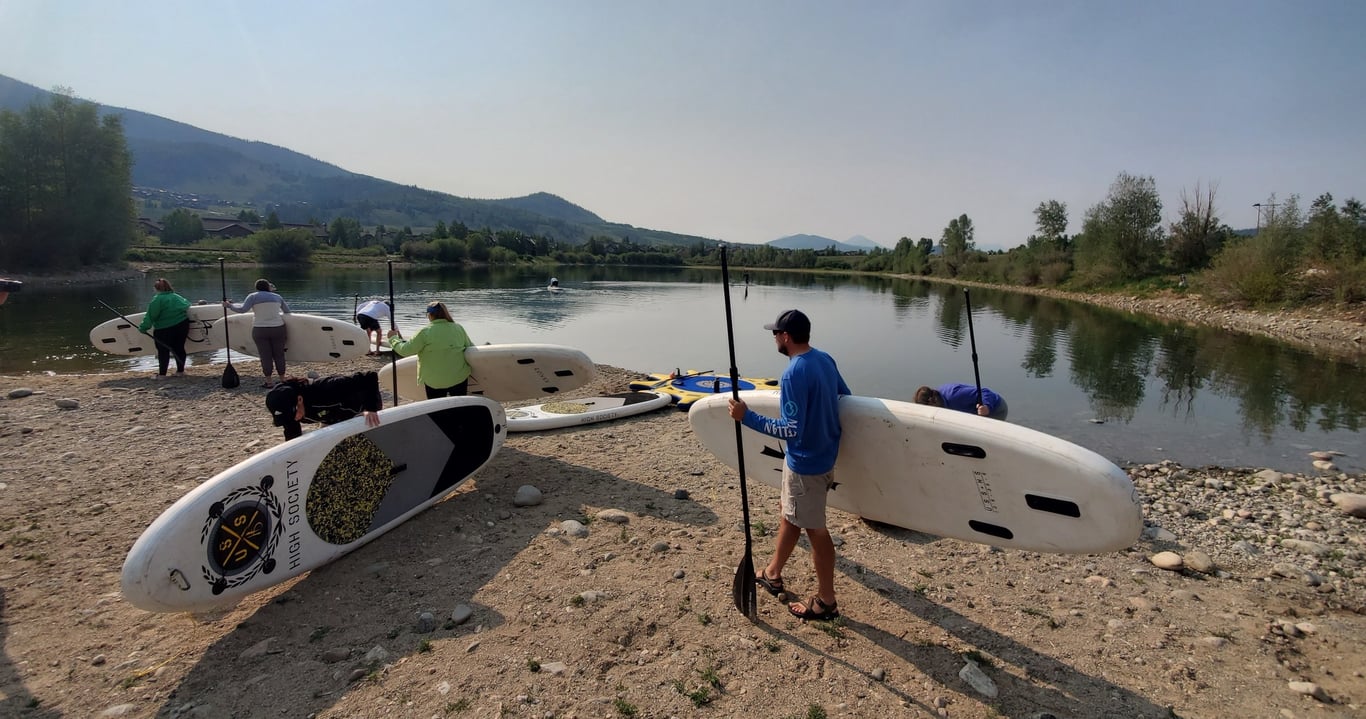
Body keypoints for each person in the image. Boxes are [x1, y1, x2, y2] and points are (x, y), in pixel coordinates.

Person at [727, 309, 850, 621]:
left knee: (816, 530)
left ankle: (826, 601)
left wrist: (746, 417)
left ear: (785, 336)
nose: (774, 339)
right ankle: (773, 573)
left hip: (806, 463)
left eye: (775, 334)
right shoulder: (824, 359)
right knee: (791, 514)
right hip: (824, 455)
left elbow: (790, 429)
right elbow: (845, 397)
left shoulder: (794, 373)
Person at [387, 301, 474, 398]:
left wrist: (393, 339)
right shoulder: (458, 328)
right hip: (458, 377)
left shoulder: (425, 332)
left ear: (429, 315)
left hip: (434, 381)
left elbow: (405, 350)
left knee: (437, 407)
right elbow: (470, 347)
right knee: (460, 406)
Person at [264, 371, 383, 441]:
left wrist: (370, 408)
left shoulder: (326, 388)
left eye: (294, 414)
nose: (294, 419)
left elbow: (370, 376)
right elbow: (292, 436)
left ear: (300, 399)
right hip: (331, 417)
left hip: (362, 408)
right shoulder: (288, 412)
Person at [224, 279, 290, 388]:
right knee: (279, 354)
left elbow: (242, 310)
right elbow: (287, 311)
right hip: (278, 328)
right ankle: (282, 379)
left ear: (257, 287)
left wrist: (229, 305)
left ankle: (269, 382)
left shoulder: (252, 296)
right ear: (268, 287)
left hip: (260, 329)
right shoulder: (277, 297)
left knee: (265, 356)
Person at [138, 278, 192, 379]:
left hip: (164, 329)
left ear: (156, 289)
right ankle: (180, 371)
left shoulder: (157, 299)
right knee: (179, 348)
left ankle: (162, 374)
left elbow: (151, 315)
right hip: (182, 325)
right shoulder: (176, 297)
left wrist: (143, 327)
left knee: (163, 351)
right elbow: (187, 305)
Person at [913, 383, 1008, 420]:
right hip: (975, 413)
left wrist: (987, 407)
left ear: (931, 402)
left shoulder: (954, 395)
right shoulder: (941, 403)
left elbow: (985, 392)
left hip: (996, 409)